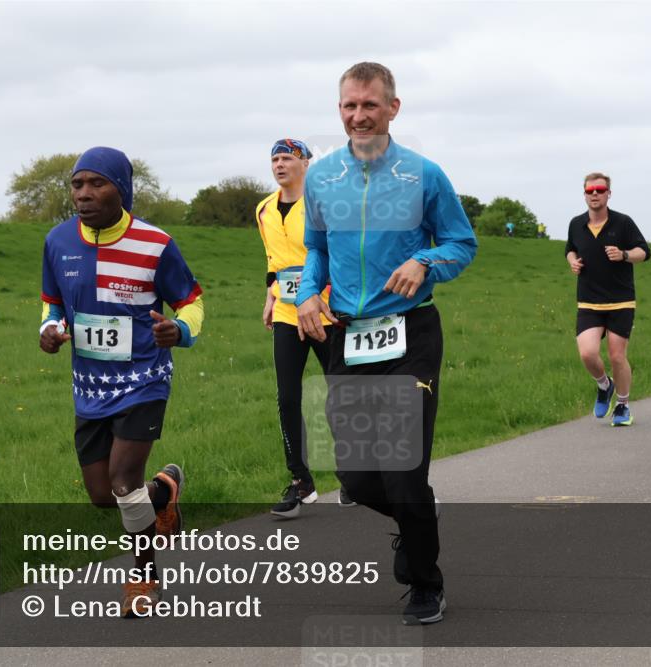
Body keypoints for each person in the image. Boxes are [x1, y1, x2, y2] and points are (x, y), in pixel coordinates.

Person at [295, 62, 477, 625]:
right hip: (346, 337)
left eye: (369, 104)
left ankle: (426, 582)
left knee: (401, 470)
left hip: (410, 335)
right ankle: (415, 509)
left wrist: (424, 262)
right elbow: (316, 250)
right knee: (353, 477)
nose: (358, 115)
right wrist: (306, 294)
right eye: (349, 106)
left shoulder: (423, 175)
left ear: (393, 108)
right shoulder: (321, 178)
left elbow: (460, 245)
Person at [39, 146, 204, 617]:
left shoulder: (155, 243)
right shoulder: (57, 241)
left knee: (122, 480)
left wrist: (182, 330)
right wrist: (48, 331)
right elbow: (52, 304)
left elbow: (191, 300)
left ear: (122, 189)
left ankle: (144, 578)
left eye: (97, 184)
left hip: (144, 378)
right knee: (101, 497)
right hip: (90, 387)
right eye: (77, 184)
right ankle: (164, 491)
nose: (84, 194)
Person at [256, 138, 352, 517]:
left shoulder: (323, 204)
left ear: (307, 164)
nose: (280, 165)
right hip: (285, 312)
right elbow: (273, 259)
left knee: (339, 393)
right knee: (287, 397)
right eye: (275, 158)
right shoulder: (263, 209)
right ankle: (300, 481)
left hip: (325, 311)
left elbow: (337, 254)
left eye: (288, 159)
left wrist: (328, 297)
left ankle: (351, 475)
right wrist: (269, 294)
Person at [565, 173, 650, 426]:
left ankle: (623, 406)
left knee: (616, 355)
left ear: (608, 194)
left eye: (600, 190)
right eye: (590, 190)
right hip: (589, 301)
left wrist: (624, 254)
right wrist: (573, 262)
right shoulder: (576, 224)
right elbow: (569, 248)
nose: (595, 194)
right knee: (588, 354)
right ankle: (605, 386)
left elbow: (644, 252)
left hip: (620, 300)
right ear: (584, 194)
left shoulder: (623, 223)